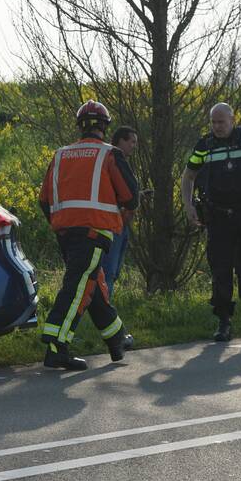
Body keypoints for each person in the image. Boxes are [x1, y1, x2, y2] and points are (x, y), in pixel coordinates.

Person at [38, 100, 138, 370]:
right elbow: (131, 196)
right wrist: (120, 215)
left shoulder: (60, 155)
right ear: (105, 127)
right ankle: (57, 344)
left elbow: (44, 200)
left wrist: (62, 223)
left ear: (80, 126)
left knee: (93, 286)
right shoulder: (109, 154)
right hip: (94, 232)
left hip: (65, 233)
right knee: (79, 287)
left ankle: (116, 338)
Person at [180, 103, 241, 341]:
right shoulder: (205, 145)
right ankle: (224, 322)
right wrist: (188, 205)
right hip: (219, 217)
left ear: (232, 120)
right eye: (213, 122)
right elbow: (189, 176)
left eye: (221, 122)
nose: (217, 127)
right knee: (220, 269)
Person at [100, 126, 149, 298]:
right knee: (109, 270)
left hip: (121, 224)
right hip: (112, 225)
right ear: (120, 140)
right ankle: (104, 308)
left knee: (114, 270)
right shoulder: (111, 160)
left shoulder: (119, 162)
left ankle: (104, 305)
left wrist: (138, 195)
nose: (134, 146)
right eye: (132, 141)